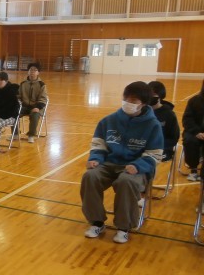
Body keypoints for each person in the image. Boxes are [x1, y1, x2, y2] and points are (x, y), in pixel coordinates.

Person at [81, 81, 163, 244]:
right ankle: (97, 222)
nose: (128, 103)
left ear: (143, 104)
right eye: (126, 99)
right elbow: (98, 144)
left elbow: (155, 154)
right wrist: (95, 159)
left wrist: (138, 166)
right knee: (89, 177)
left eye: (133, 101)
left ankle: (123, 227)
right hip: (109, 164)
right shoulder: (109, 120)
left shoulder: (152, 125)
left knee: (126, 181)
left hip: (136, 168)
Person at [148, 81, 180, 161]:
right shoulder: (141, 111)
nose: (150, 97)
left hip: (163, 148)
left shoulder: (169, 114)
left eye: (153, 94)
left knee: (149, 159)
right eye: (148, 94)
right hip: (142, 146)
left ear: (160, 96)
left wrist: (157, 144)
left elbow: (174, 138)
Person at [18, 63, 48, 143]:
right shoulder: (23, 84)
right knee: (14, 112)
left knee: (35, 115)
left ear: (38, 73)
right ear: (28, 71)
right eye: (31, 70)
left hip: (37, 107)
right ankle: (15, 134)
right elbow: (18, 96)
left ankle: (31, 135)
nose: (32, 71)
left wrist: (37, 107)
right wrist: (18, 103)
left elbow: (43, 98)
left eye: (35, 70)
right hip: (24, 106)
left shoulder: (42, 85)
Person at [181, 80, 204, 181]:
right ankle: (193, 169)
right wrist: (197, 132)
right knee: (190, 141)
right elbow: (187, 119)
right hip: (194, 131)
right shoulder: (194, 101)